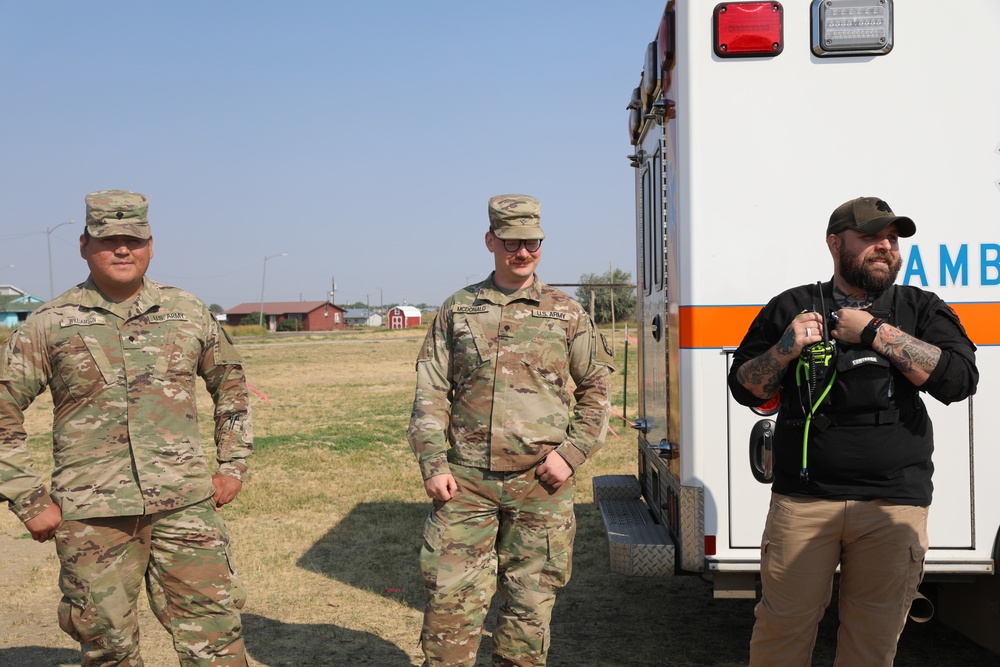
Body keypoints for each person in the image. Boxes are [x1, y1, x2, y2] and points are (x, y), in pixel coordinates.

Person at [0, 190, 253, 666]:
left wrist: (233, 463)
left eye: (133, 240)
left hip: (186, 507)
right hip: (93, 513)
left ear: (151, 246)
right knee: (107, 646)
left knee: (216, 637)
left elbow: (231, 385)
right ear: (83, 245)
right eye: (108, 239)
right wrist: (27, 498)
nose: (122, 249)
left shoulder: (188, 312)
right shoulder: (50, 323)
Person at [728, 196, 979, 666]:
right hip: (803, 501)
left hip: (894, 503)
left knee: (873, 640)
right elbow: (744, 387)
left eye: (892, 238)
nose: (885, 246)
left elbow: (960, 380)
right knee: (781, 630)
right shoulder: (794, 306)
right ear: (835, 243)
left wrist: (874, 333)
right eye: (871, 237)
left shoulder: (919, 307)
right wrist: (785, 348)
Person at [408, 194, 615, 667]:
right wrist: (433, 462)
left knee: (528, 614)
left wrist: (573, 453)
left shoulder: (567, 311)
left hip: (540, 484)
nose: (523, 253)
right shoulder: (457, 310)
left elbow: (598, 387)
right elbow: (430, 392)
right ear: (490, 241)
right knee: (449, 609)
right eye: (512, 243)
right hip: (465, 486)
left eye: (532, 243)